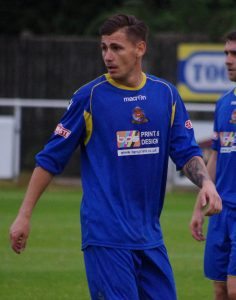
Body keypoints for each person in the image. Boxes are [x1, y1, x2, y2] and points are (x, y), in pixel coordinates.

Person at [10, 14, 222, 300]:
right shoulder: (90, 97)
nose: (108, 56)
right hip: (106, 237)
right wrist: (24, 215)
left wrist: (207, 183)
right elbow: (50, 160)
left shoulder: (166, 95)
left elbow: (185, 151)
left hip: (150, 237)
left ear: (140, 49)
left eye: (116, 48)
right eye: (103, 48)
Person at [190, 31, 236, 300]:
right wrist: (199, 208)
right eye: (226, 53)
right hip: (221, 212)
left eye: (235, 54)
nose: (228, 60)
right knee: (219, 290)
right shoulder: (223, 103)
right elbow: (215, 158)